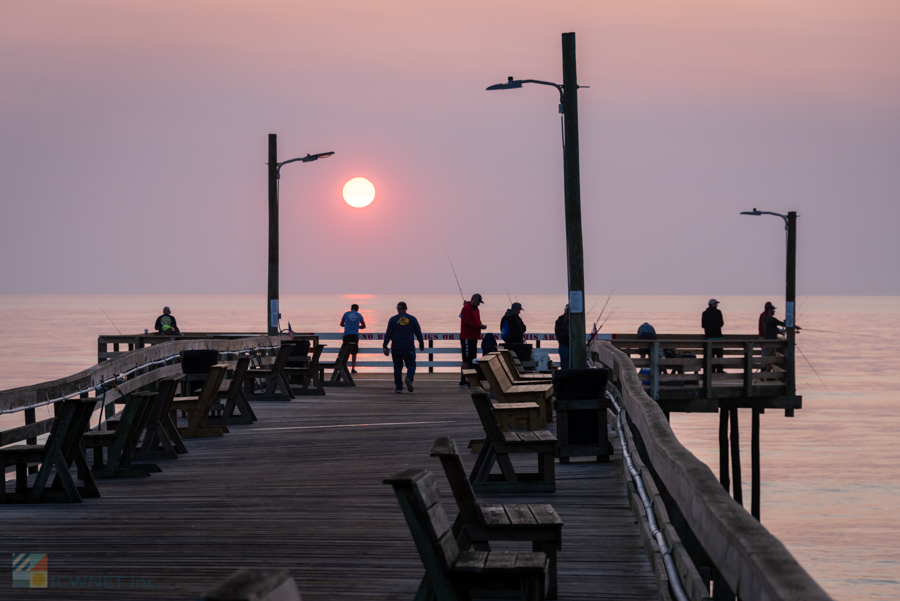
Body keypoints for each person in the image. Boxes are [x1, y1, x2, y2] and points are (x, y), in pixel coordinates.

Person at [383, 301, 424, 394]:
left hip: (396, 347)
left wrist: (385, 345)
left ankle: (398, 387)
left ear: (398, 309)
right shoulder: (412, 319)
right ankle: (409, 378)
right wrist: (421, 343)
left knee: (397, 367)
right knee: (411, 365)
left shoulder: (393, 319)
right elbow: (418, 332)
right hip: (409, 347)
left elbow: (388, 334)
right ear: (406, 308)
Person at [459, 294, 487, 386]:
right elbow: (466, 322)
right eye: (478, 302)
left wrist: (480, 325)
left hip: (474, 337)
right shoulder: (466, 308)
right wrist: (479, 326)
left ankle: (470, 379)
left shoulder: (476, 310)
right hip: (467, 337)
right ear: (474, 300)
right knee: (466, 360)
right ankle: (463, 380)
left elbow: (477, 321)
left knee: (471, 359)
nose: (479, 304)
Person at [340, 304, 366, 374]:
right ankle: (353, 368)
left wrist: (347, 325)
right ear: (357, 309)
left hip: (347, 334)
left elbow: (341, 324)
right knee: (354, 353)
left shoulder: (346, 314)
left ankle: (342, 367)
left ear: (351, 308)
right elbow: (364, 326)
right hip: (354, 335)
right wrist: (357, 327)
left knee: (345, 351)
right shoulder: (359, 315)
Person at [702, 299, 725, 373]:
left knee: (710, 355)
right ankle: (719, 370)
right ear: (712, 304)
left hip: (709, 337)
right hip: (718, 336)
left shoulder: (704, 313)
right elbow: (722, 323)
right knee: (719, 355)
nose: (716, 305)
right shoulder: (718, 312)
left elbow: (703, 325)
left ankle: (711, 370)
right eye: (715, 304)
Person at [555, 305, 570, 370]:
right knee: (564, 365)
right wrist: (568, 334)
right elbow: (558, 333)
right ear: (565, 314)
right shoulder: (560, 320)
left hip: (574, 346)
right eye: (567, 315)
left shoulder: (574, 320)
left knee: (573, 364)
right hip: (564, 345)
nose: (569, 317)